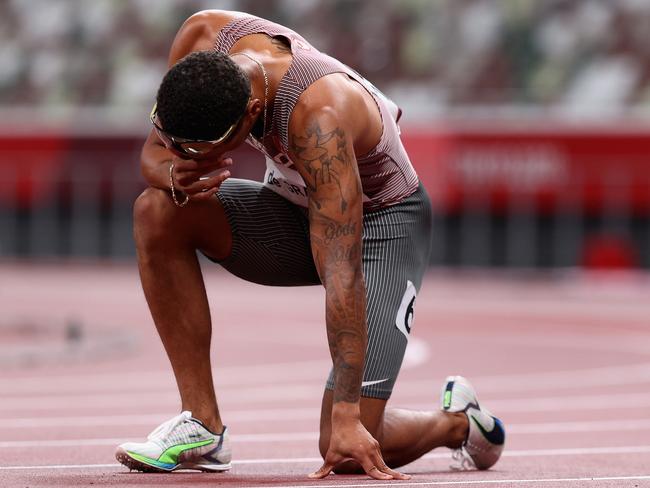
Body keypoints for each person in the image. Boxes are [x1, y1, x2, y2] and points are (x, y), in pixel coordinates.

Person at [115, 9, 505, 480]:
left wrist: (345, 415)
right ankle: (202, 425)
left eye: (204, 150)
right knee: (155, 211)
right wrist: (170, 173)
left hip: (380, 227)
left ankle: (457, 423)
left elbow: (341, 270)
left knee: (343, 444)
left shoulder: (318, 117)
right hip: (294, 206)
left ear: (252, 114)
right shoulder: (201, 42)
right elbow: (155, 155)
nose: (191, 158)